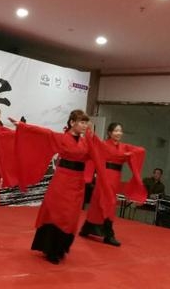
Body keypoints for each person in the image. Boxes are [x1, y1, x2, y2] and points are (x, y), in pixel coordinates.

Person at [11, 110, 111, 264]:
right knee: (57, 213)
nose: (85, 125)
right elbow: (43, 133)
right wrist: (23, 126)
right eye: (82, 122)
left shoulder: (87, 141)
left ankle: (61, 248)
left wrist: (92, 138)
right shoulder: (61, 138)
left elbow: (99, 153)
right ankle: (50, 249)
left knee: (71, 216)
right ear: (72, 123)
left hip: (78, 183)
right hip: (62, 180)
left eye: (86, 122)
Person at [79, 122, 146, 246]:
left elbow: (141, 150)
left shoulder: (124, 147)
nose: (118, 133)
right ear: (109, 133)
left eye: (120, 131)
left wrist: (130, 154)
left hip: (115, 177)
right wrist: (88, 128)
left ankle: (87, 228)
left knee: (99, 203)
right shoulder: (103, 145)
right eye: (115, 131)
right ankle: (108, 234)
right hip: (104, 176)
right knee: (109, 202)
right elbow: (93, 143)